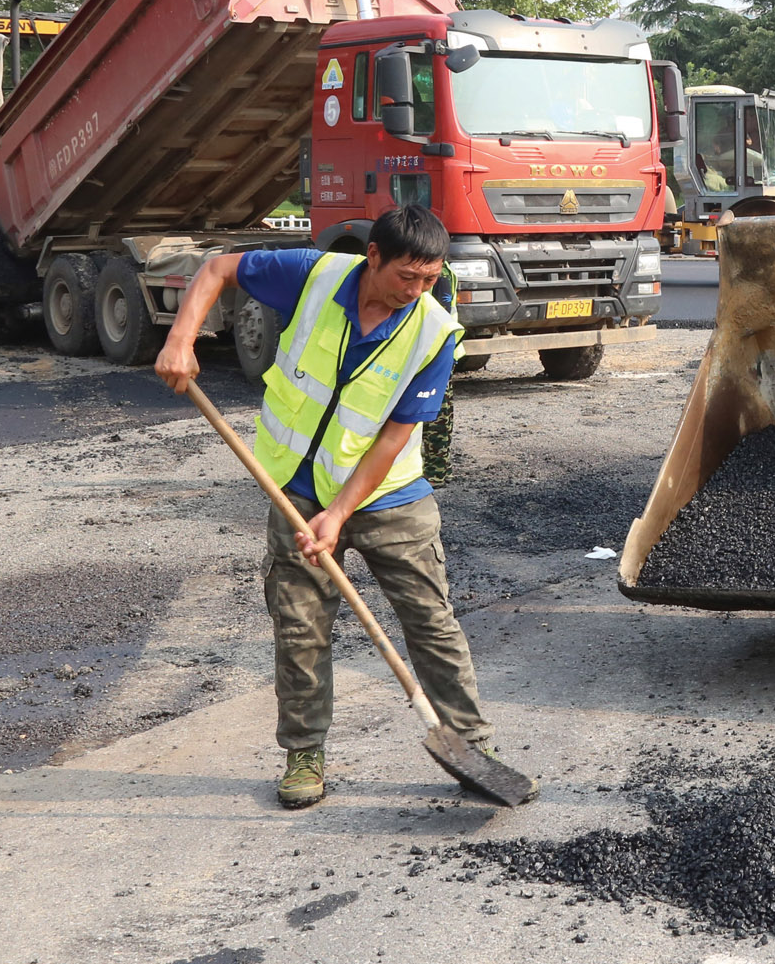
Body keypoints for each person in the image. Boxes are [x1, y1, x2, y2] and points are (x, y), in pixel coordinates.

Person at [154, 204, 521, 811]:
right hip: (295, 491)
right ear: (372, 256)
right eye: (407, 276)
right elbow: (217, 269)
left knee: (431, 624)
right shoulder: (313, 274)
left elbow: (395, 436)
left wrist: (340, 513)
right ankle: (304, 755)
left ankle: (472, 746)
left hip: (388, 497)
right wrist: (180, 338)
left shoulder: (433, 331)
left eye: (430, 278)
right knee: (300, 629)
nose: (416, 290)